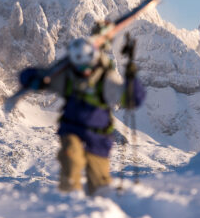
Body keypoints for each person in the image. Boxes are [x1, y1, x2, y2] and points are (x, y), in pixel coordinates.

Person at [19, 35, 146, 195]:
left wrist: (132, 82)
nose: (85, 72)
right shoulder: (68, 78)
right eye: (80, 68)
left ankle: (99, 210)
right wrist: (32, 78)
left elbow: (131, 100)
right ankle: (69, 199)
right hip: (73, 129)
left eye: (88, 67)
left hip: (99, 136)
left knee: (99, 183)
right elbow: (39, 76)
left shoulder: (105, 79)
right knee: (71, 158)